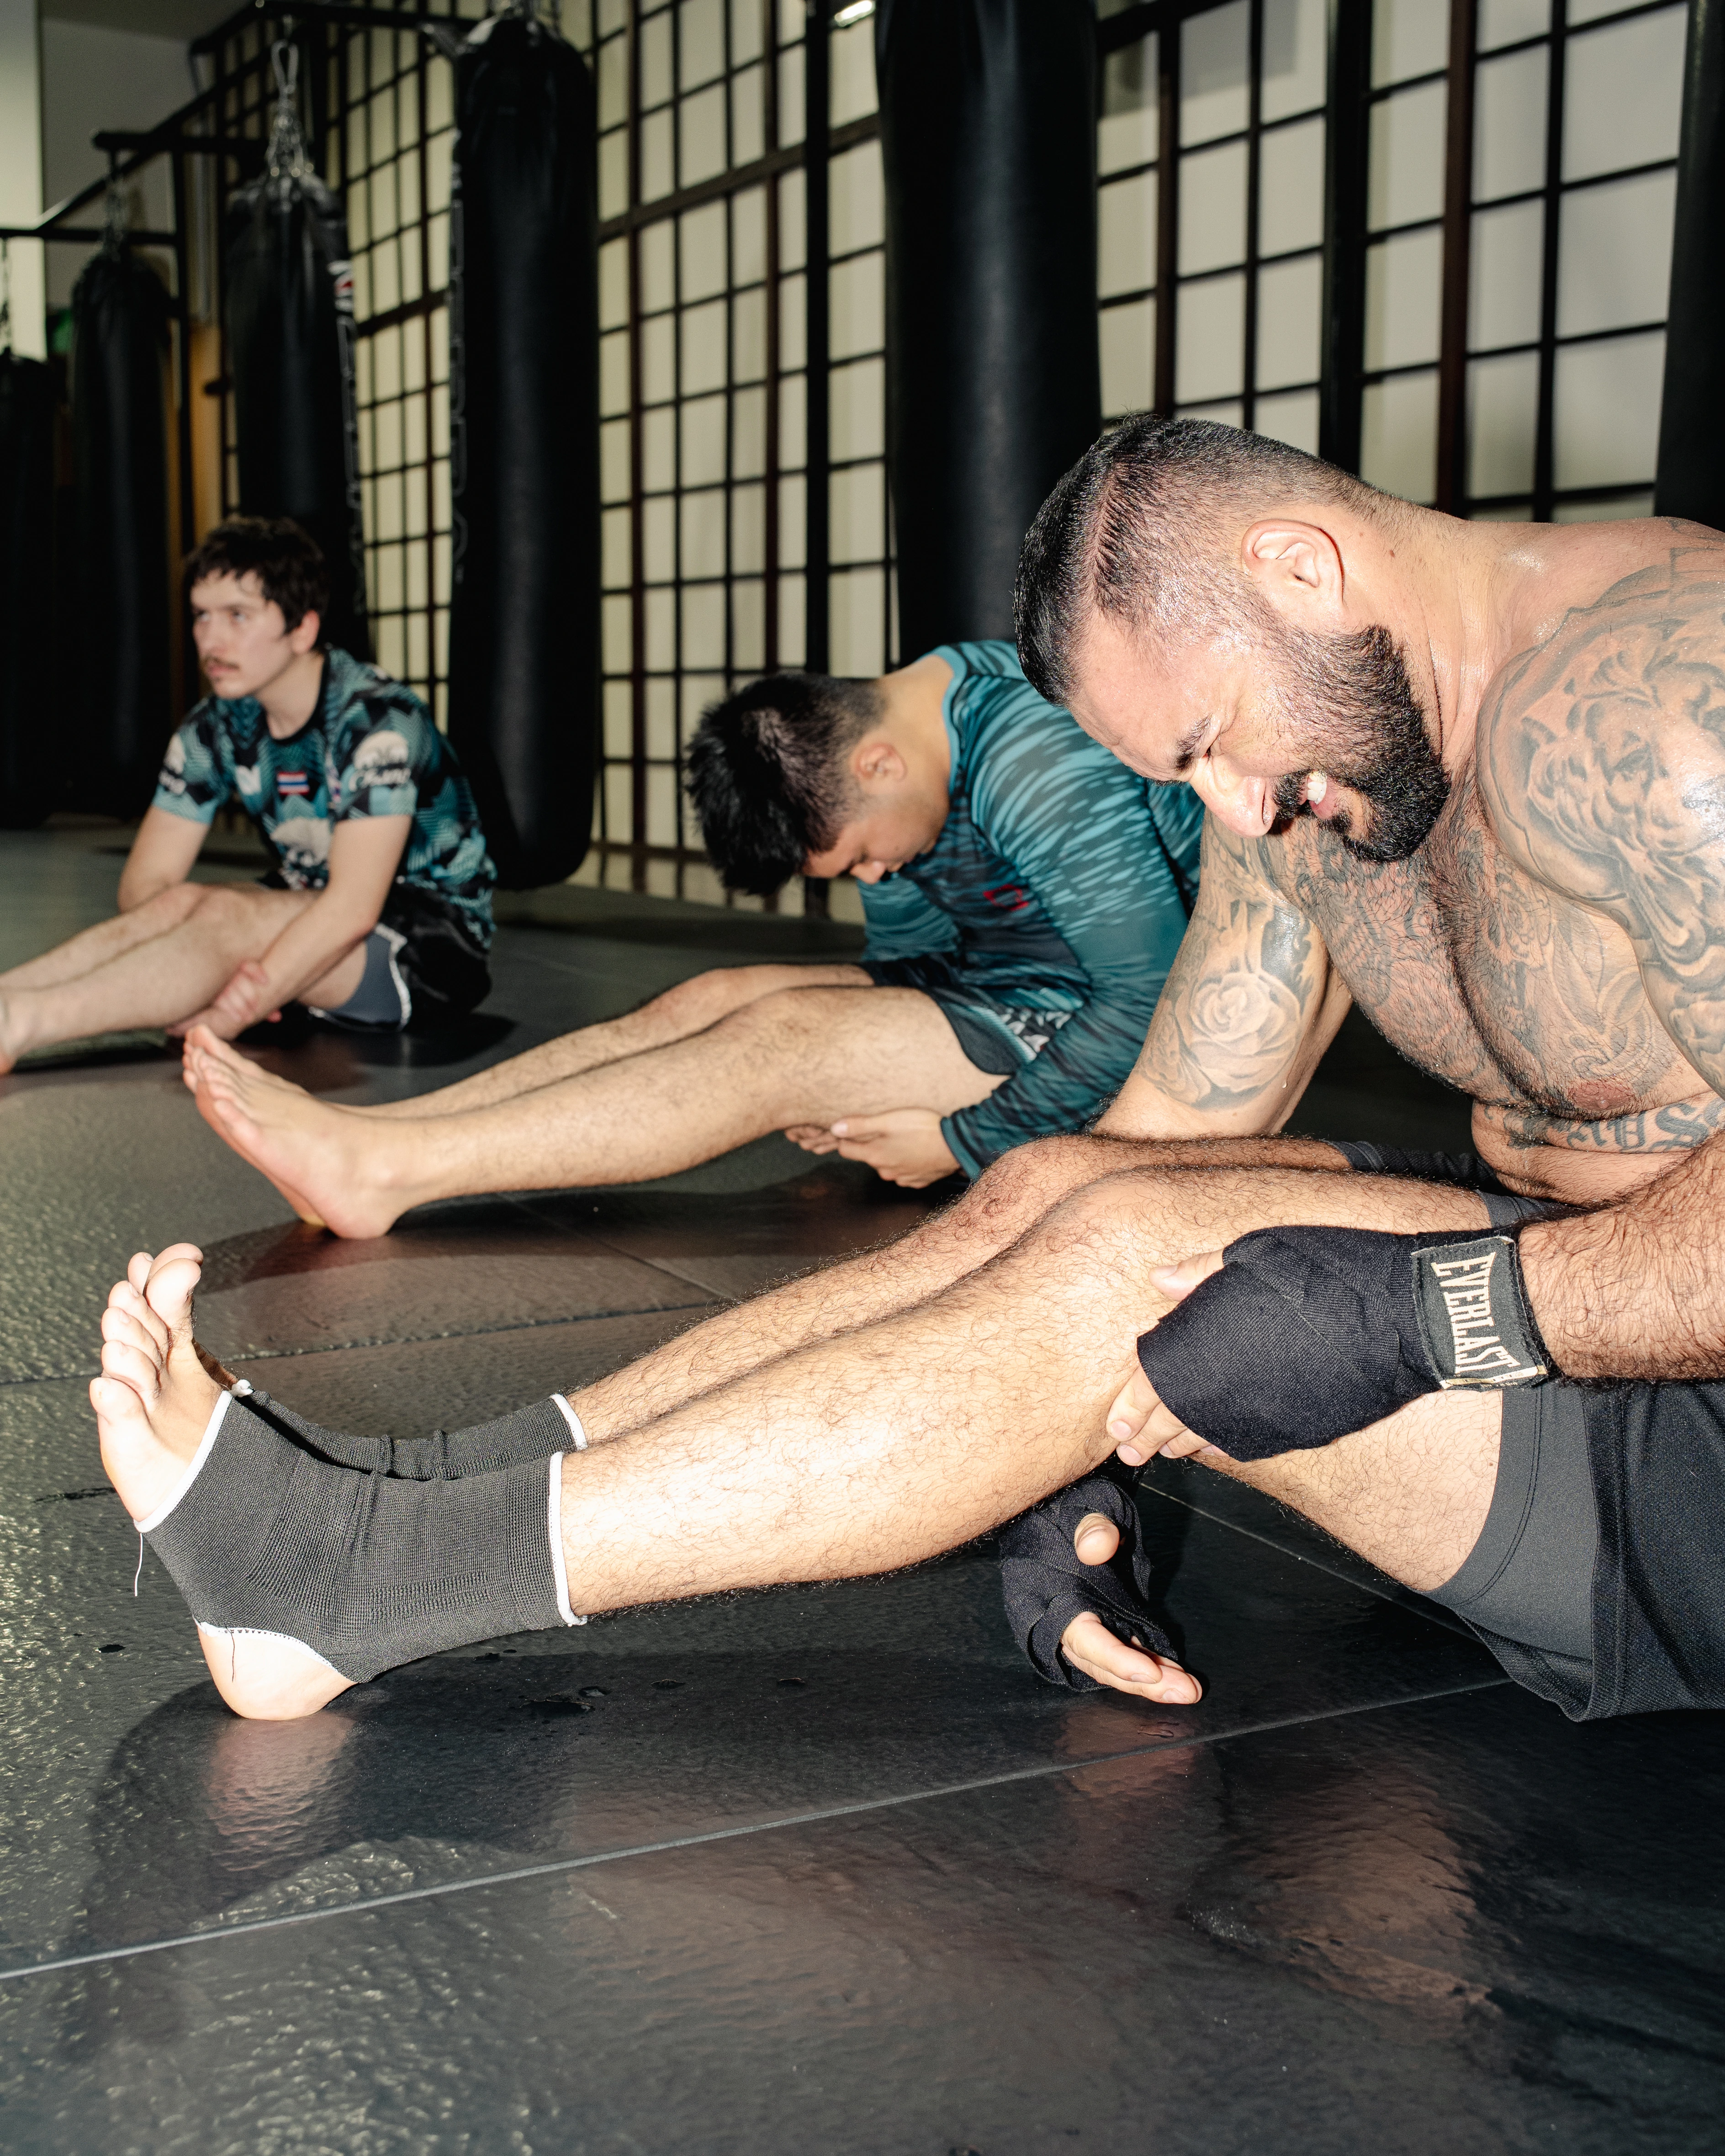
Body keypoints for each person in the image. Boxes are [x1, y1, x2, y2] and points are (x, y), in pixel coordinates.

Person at [91, 416, 1725, 1729]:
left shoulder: (1666, 701)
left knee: (1125, 1265)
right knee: (1060, 1194)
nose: (1231, 811)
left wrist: (1417, 1316)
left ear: (1299, 566)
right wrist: (1058, 1452)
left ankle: (343, 1582)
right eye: (1188, 769)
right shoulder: (1298, 766)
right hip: (1568, 1286)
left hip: (1683, 1431)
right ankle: (406, 1483)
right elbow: (1162, 1131)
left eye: (1214, 742)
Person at [178, 642, 1203, 1235]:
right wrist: (863, 1048)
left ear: (880, 766)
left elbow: (1152, 1001)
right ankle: (381, 1135)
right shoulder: (893, 734)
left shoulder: (1031, 761)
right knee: (711, 1001)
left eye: (857, 858)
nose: (872, 877)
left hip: (1130, 1025)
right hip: (1011, 983)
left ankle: (383, 1174)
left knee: (785, 1042)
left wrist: (959, 1140)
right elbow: (910, 963)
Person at [0, 518, 495, 1073]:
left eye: (238, 616)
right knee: (186, 905)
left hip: (430, 944)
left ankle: (22, 1023)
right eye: (201, 616)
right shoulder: (215, 725)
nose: (211, 641)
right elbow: (147, 885)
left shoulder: (378, 721)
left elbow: (353, 908)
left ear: (302, 630)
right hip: (312, 904)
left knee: (229, 916)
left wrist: (243, 1001)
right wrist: (186, 960)